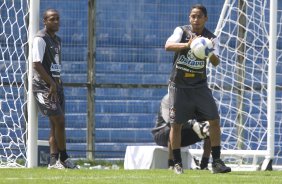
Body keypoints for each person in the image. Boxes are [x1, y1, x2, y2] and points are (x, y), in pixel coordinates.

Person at [164, 4, 231, 174]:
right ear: (189, 18)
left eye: (199, 16)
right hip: (179, 86)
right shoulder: (182, 31)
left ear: (205, 18)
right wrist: (188, 45)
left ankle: (216, 162)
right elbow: (168, 45)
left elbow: (216, 62)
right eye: (193, 16)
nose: (196, 19)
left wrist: (208, 52)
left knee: (214, 121)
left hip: (200, 86)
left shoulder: (211, 39)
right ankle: (177, 164)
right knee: (176, 124)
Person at [32, 9, 77, 169]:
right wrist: (51, 83)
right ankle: (64, 158)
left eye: (58, 19)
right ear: (45, 21)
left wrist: (56, 84)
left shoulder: (57, 40)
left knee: (55, 125)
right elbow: (36, 63)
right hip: (44, 87)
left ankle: (53, 161)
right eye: (52, 19)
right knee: (60, 120)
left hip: (56, 86)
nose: (56, 22)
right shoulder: (40, 38)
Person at [151, 94, 211, 170]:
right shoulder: (169, 98)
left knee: (210, 129)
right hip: (162, 133)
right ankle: (172, 165)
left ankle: (204, 165)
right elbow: (171, 121)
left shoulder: (196, 99)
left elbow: (203, 120)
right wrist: (192, 124)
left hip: (184, 131)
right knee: (173, 128)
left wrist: (204, 125)